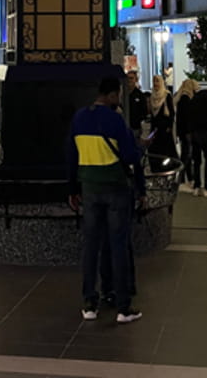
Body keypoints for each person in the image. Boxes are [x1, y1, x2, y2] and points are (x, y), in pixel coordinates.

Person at [67, 75, 145, 324]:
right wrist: (141, 146)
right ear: (111, 95)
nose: (119, 99)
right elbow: (131, 156)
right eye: (118, 95)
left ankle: (90, 303)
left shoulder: (79, 118)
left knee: (91, 246)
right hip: (115, 189)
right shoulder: (115, 120)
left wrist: (72, 189)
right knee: (118, 245)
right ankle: (123, 307)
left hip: (89, 188)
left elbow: (70, 155)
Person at [147, 74, 176, 172]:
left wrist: (169, 126)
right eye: (154, 81)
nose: (156, 84)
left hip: (165, 129)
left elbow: (171, 112)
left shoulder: (166, 95)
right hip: (155, 129)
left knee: (166, 152)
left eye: (157, 81)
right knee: (154, 151)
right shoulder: (152, 96)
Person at [174, 77, 199, 188]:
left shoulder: (181, 98)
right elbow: (187, 117)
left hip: (182, 131)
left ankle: (189, 176)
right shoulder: (186, 99)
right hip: (186, 132)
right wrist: (189, 132)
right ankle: (182, 176)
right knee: (186, 154)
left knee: (186, 154)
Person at [126, 70, 149, 144]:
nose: (129, 80)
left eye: (131, 78)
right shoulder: (122, 95)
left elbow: (144, 111)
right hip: (124, 126)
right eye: (128, 78)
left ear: (136, 80)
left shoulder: (140, 95)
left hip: (135, 127)